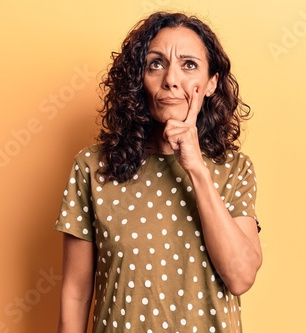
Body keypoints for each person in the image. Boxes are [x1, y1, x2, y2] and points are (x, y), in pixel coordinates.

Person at [55, 11, 262, 333]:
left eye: (189, 65)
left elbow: (240, 277)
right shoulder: (93, 168)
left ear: (211, 83)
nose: (171, 79)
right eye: (155, 63)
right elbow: (76, 294)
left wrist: (196, 169)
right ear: (139, 79)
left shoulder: (234, 169)